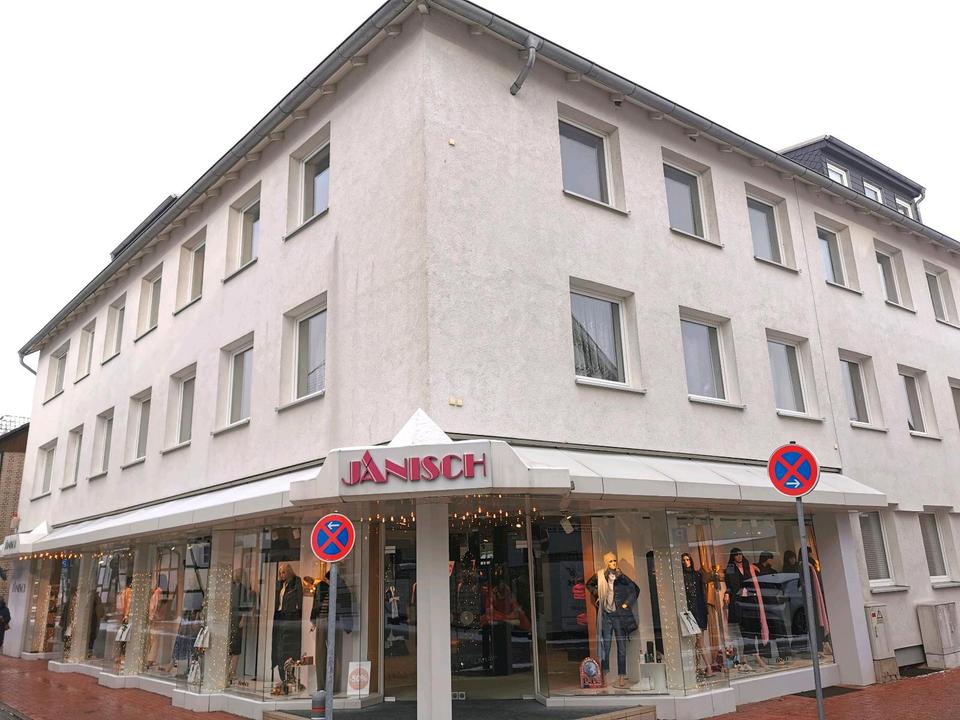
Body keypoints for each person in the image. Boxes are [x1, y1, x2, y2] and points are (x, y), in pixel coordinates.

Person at [586, 552, 639, 688]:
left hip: (618, 615)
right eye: (610, 561)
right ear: (606, 562)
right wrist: (597, 594)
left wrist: (626, 604)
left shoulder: (621, 577)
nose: (613, 563)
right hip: (606, 615)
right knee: (606, 646)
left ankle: (621, 676)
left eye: (614, 560)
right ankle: (604, 675)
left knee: (621, 647)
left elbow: (635, 590)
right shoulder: (600, 576)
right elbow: (589, 584)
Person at [723, 548, 769, 671]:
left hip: (751, 600)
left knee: (753, 628)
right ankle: (753, 658)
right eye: (736, 555)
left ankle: (747, 658)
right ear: (733, 556)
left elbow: (754, 581)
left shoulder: (748, 566)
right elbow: (730, 585)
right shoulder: (731, 568)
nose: (739, 556)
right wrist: (727, 594)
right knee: (745, 631)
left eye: (740, 554)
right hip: (739, 601)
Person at [310, 569, 354, 692]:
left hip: (335, 620)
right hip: (322, 619)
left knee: (334, 654)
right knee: (321, 653)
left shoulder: (341, 587)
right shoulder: (321, 587)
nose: (327, 581)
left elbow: (346, 604)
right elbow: (316, 603)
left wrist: (347, 624)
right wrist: (313, 620)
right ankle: (321, 687)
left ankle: (332, 686)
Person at [272, 563, 303, 694]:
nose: (281, 575)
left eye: (283, 572)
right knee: (279, 646)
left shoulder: (296, 582)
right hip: (280, 616)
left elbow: (300, 601)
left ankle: (290, 677)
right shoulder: (280, 584)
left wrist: (298, 616)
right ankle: (283, 677)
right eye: (280, 572)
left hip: (291, 617)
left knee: (289, 646)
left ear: (289, 571)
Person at [681, 553, 712, 677]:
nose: (686, 562)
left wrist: (705, 609)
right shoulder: (681, 577)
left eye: (688, 559)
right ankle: (706, 667)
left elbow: (702, 593)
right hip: (689, 611)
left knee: (699, 641)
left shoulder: (697, 575)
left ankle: (701, 667)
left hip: (699, 609)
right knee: (698, 640)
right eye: (684, 560)